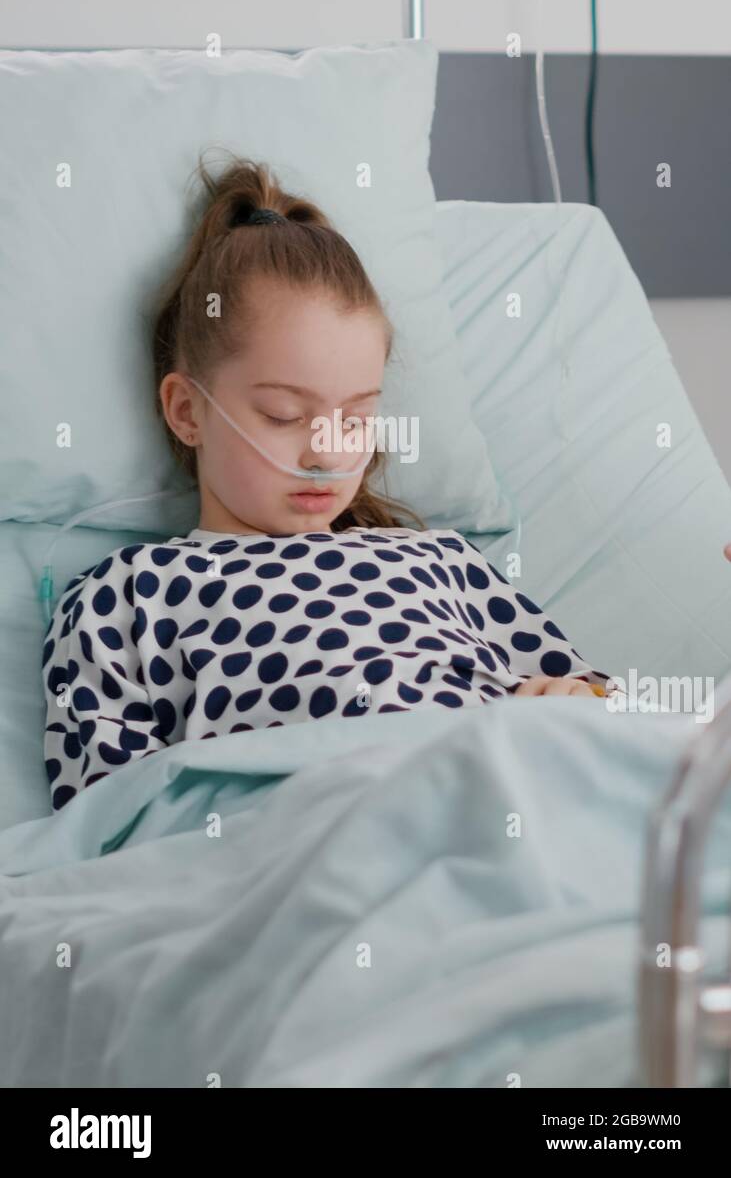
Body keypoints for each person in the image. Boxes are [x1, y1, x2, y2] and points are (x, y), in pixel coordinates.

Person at [42, 156, 609, 811]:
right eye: (284, 414)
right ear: (186, 411)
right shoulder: (128, 596)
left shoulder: (438, 559)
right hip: (321, 835)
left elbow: (613, 717)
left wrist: (573, 702)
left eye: (357, 415)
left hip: (518, 796)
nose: (327, 450)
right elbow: (97, 826)